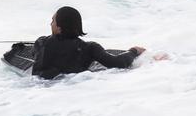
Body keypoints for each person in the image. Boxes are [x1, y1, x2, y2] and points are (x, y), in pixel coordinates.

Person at [25, 6, 156, 80]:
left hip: (42, 88)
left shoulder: (42, 42)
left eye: (53, 20)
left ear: (59, 27)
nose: (50, 23)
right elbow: (117, 63)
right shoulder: (90, 48)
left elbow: (34, 53)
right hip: (77, 85)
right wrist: (133, 51)